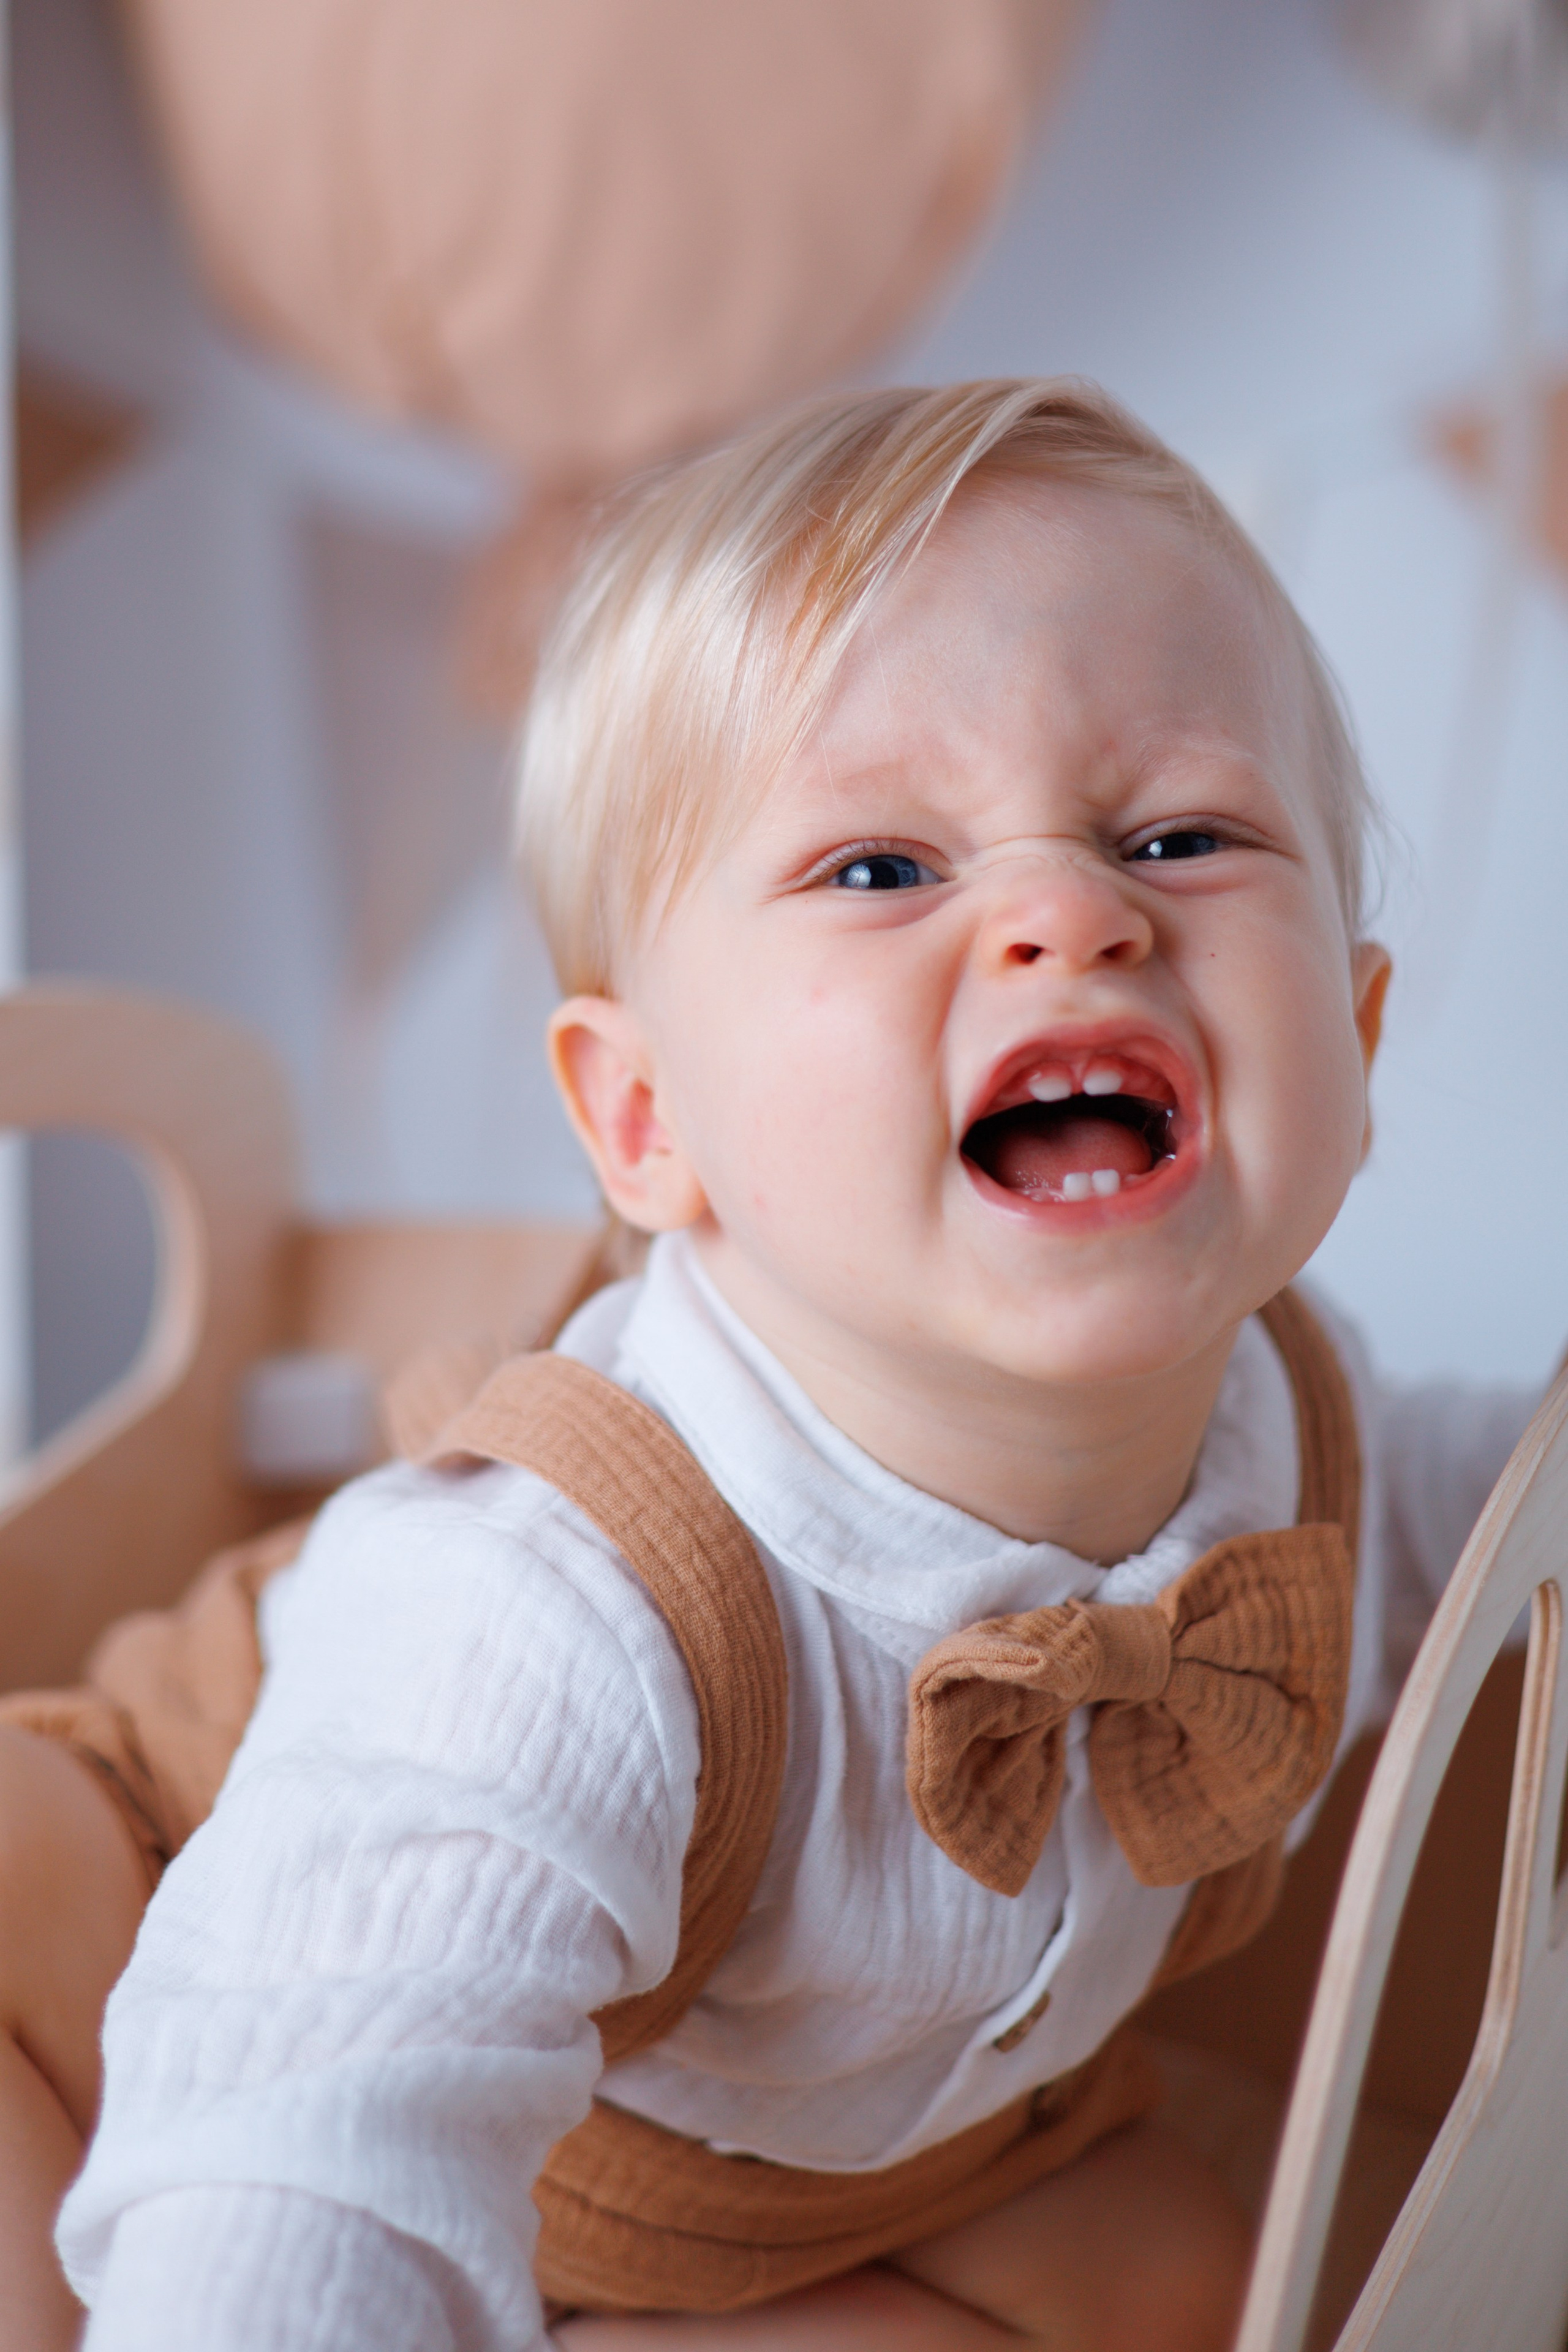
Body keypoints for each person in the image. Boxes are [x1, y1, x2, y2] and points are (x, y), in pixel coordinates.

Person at [0, 380, 1543, 2352]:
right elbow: (312, 2125)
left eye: (1183, 832)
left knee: (1212, 2294)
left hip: (814, 2153)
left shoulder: (1307, 1439)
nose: (1075, 915)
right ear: (647, 1119)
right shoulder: (549, 1607)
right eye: (883, 869)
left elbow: (1516, 1509)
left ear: (1356, 1028)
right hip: (200, 1966)